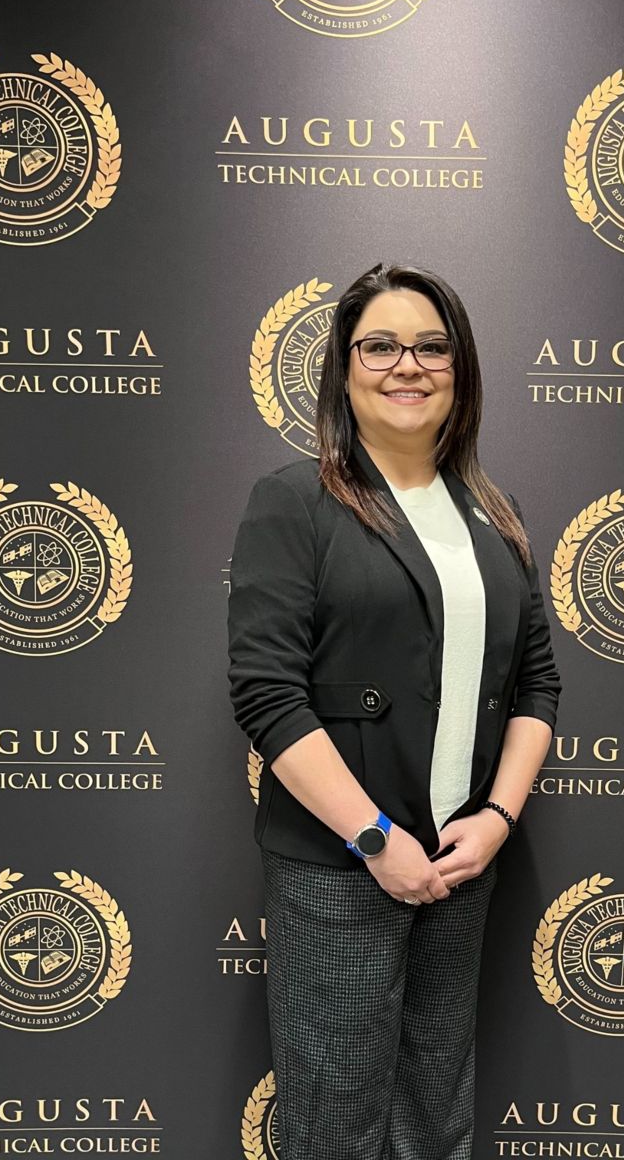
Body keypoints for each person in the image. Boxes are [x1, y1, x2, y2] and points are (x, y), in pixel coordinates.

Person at [227, 261, 561, 1160]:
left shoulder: (496, 514)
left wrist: (495, 820)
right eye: (380, 346)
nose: (406, 365)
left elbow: (538, 685)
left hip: (461, 865)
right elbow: (267, 696)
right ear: (344, 368)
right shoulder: (293, 502)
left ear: (461, 369)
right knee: (333, 1118)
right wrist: (376, 839)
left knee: (435, 1108)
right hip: (341, 870)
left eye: (431, 346)